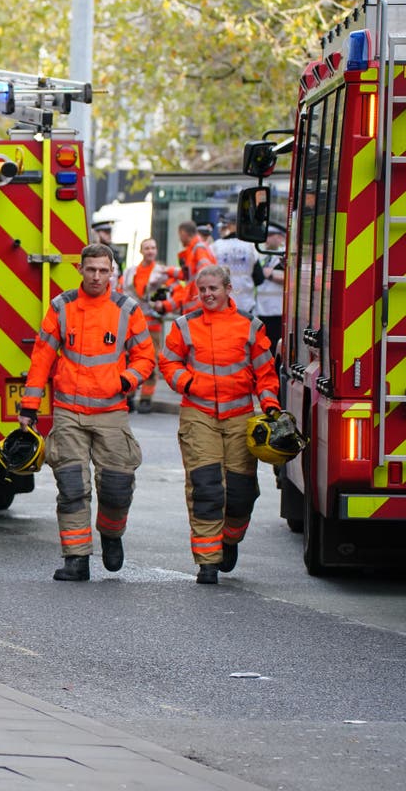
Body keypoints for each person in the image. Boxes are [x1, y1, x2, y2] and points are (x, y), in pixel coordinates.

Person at [19, 244, 155, 582]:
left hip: (111, 411)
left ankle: (111, 534)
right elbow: (42, 360)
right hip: (69, 413)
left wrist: (125, 380)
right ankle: (76, 559)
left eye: (103, 270)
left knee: (116, 488)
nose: (96, 276)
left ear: (112, 272)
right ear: (80, 269)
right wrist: (29, 408)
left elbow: (145, 358)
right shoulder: (61, 307)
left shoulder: (127, 309)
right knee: (71, 487)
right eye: (90, 269)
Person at [158, 264, 280, 584]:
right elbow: (168, 361)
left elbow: (266, 374)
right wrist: (188, 383)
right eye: (203, 290)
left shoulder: (250, 327)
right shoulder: (185, 326)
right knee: (206, 488)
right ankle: (207, 562)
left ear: (228, 289)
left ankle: (230, 539)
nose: (208, 294)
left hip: (240, 416)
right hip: (199, 414)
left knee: (241, 493)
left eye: (214, 288)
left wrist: (270, 405)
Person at [120, 237, 173, 413]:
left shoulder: (162, 273)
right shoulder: (129, 272)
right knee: (130, 360)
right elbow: (120, 293)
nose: (150, 251)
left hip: (153, 325)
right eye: (147, 248)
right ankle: (130, 395)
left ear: (156, 251)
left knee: (151, 362)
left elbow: (172, 295)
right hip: (132, 324)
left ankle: (146, 398)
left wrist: (164, 305)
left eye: (153, 248)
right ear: (141, 251)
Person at [210, 212, 259, 313]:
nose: (220, 230)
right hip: (246, 306)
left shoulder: (214, 247)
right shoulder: (250, 246)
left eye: (223, 225)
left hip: (222, 305)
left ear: (232, 226)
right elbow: (259, 278)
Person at [254, 223, 286, 367]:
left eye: (270, 236)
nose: (266, 240)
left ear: (280, 237)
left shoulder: (285, 254)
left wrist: (271, 275)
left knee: (275, 347)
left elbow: (294, 278)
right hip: (263, 309)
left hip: (278, 309)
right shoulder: (263, 254)